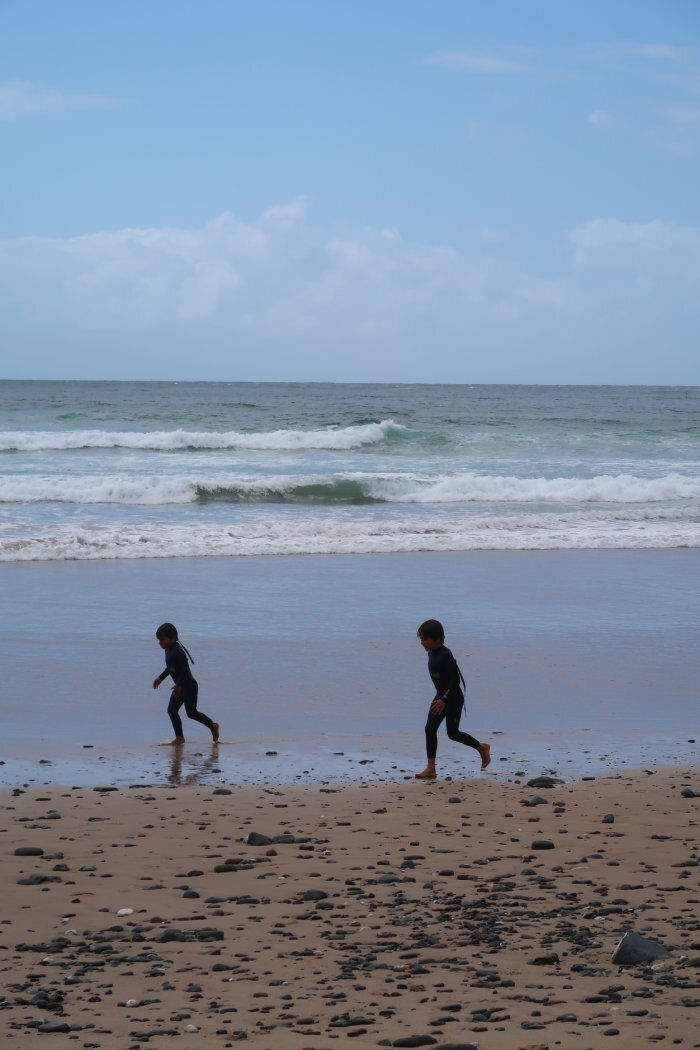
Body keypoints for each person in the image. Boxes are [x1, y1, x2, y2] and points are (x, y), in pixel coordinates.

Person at [415, 618, 490, 779]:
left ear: (437, 639)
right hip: (441, 695)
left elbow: (455, 681)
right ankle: (431, 769)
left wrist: (444, 700)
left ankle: (482, 748)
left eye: (425, 639)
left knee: (453, 733)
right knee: (429, 729)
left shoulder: (445, 655)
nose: (422, 642)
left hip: (453, 698)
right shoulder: (432, 653)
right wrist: (440, 697)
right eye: (420, 639)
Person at [152, 623, 219, 746]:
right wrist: (160, 678)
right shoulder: (168, 650)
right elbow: (171, 668)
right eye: (159, 640)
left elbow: (184, 669)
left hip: (189, 687)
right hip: (180, 686)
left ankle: (212, 725)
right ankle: (180, 738)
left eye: (162, 640)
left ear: (172, 639)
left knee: (191, 713)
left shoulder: (178, 651)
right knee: (172, 710)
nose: (160, 643)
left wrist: (178, 686)